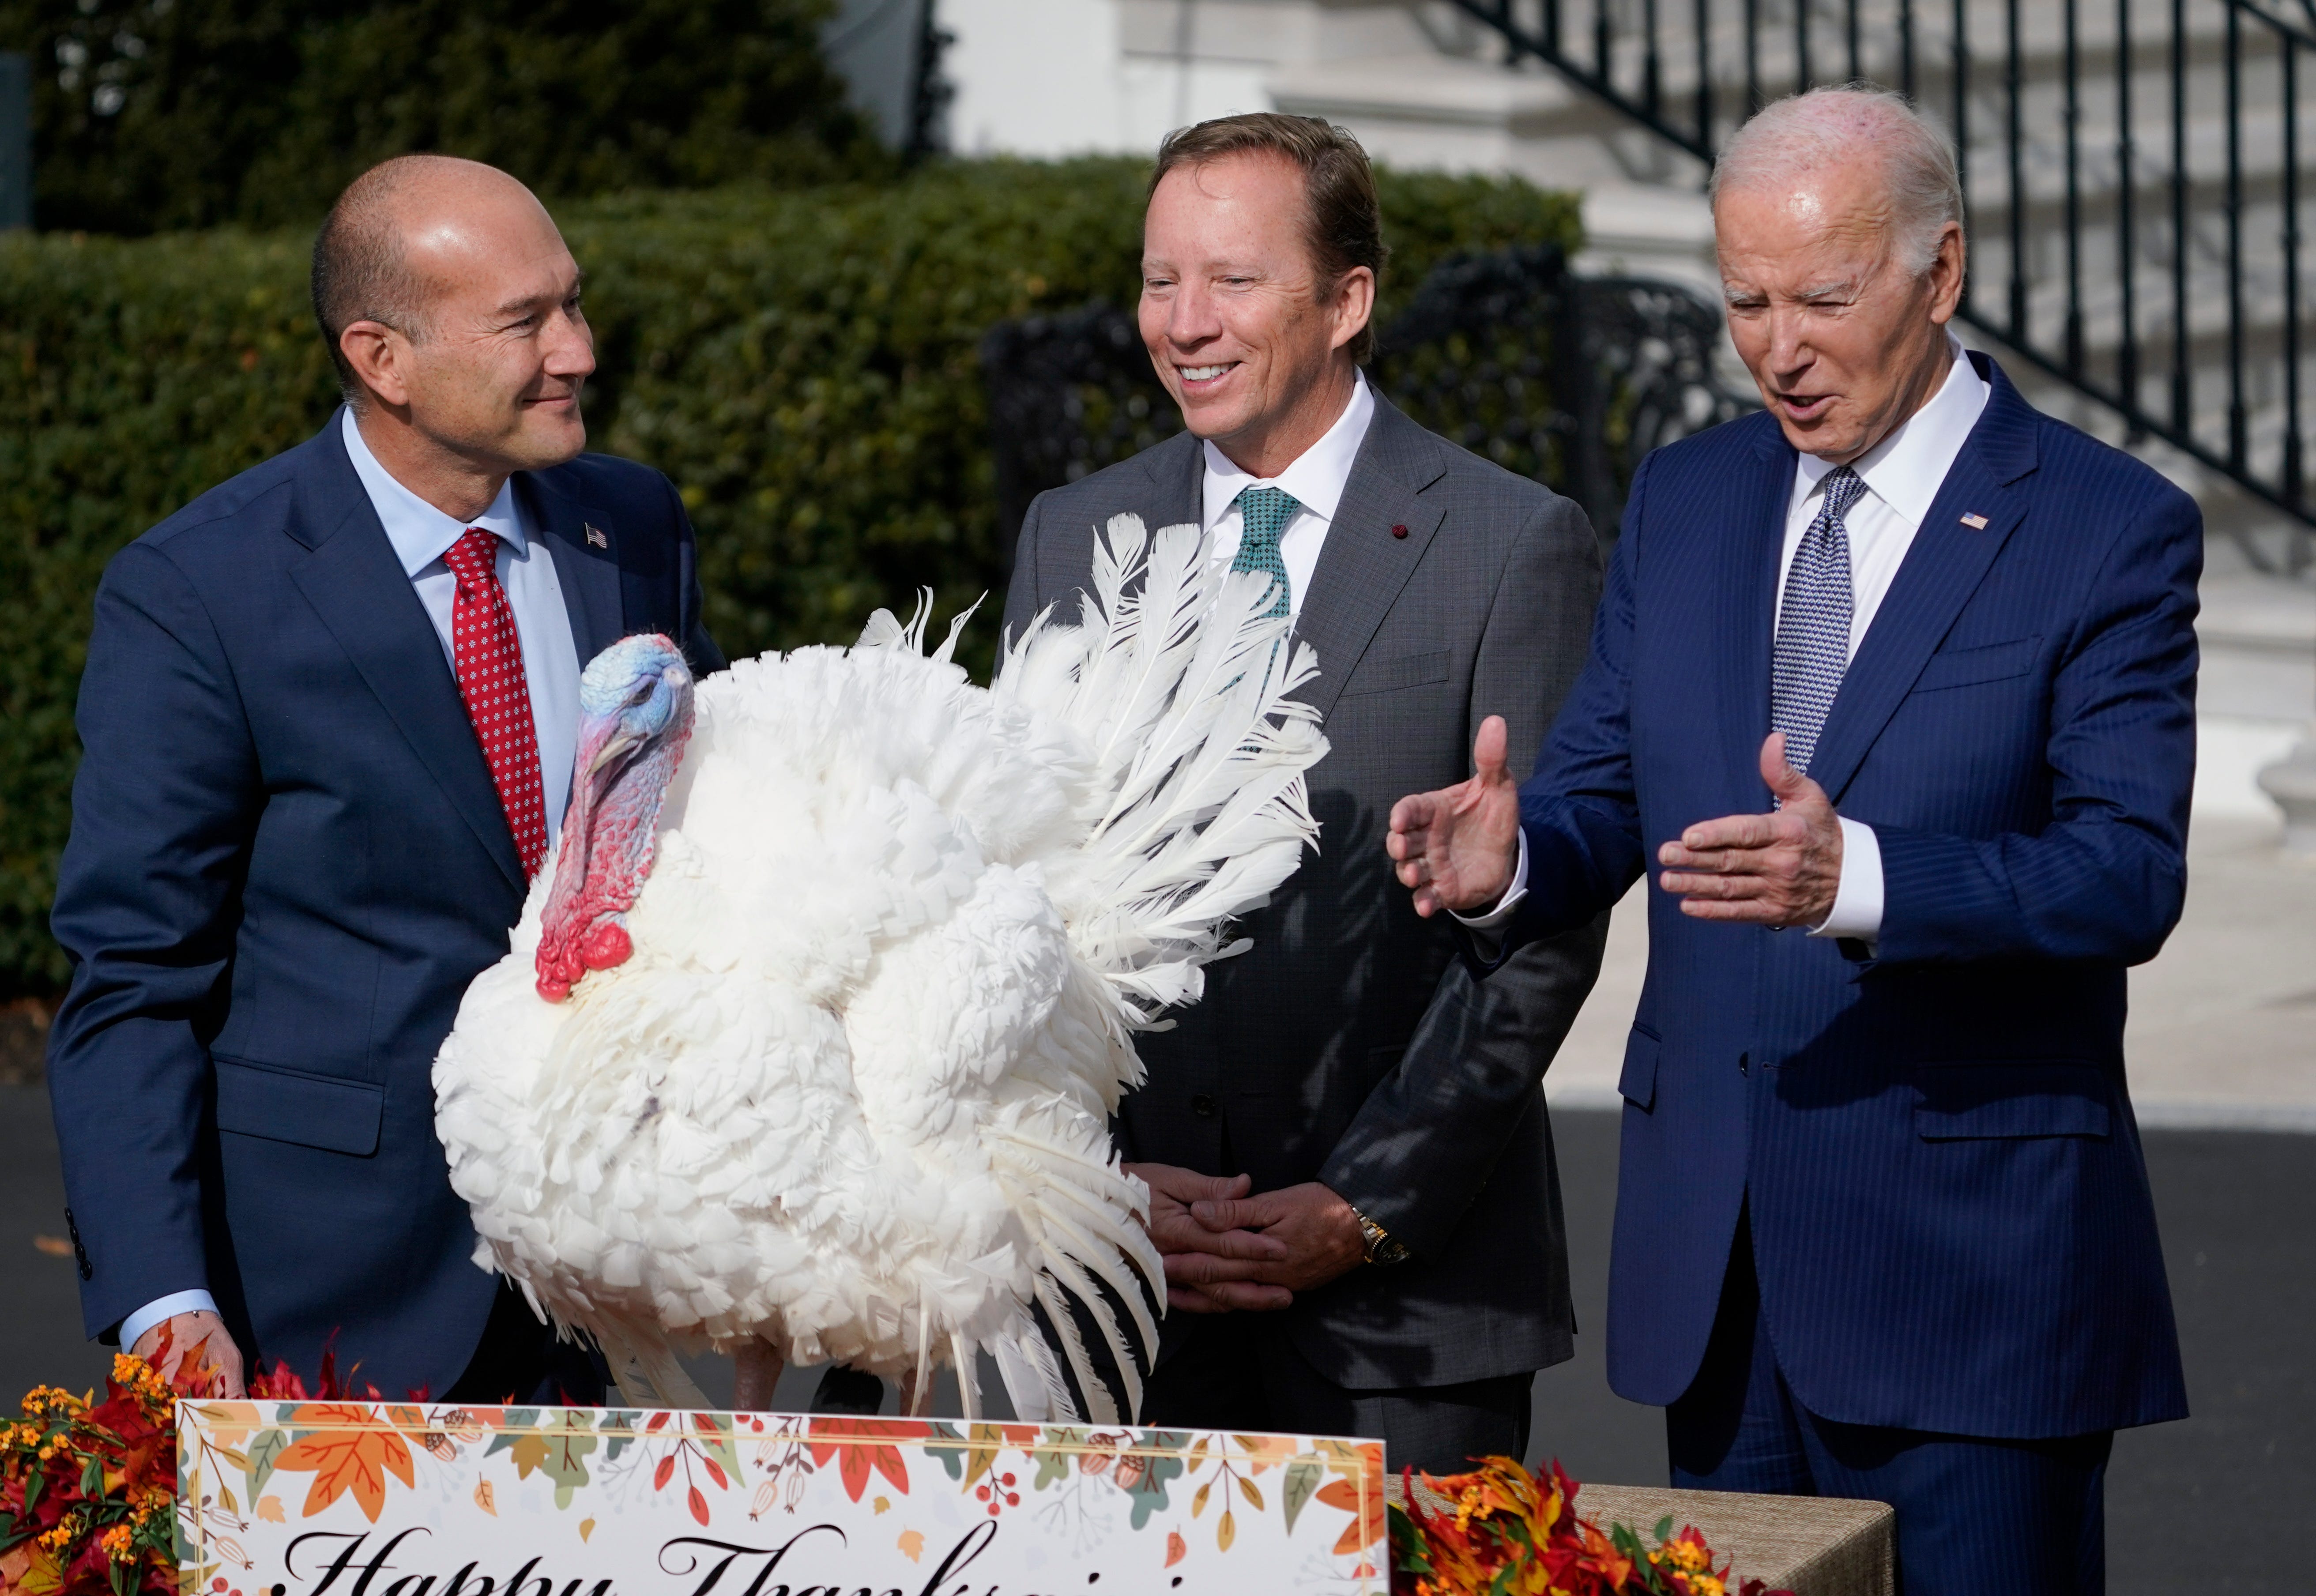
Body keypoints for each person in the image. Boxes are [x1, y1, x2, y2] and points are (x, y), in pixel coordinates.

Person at [1387, 87, 2191, 1592]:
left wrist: (1860, 879)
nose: (1779, 346)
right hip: (1721, 1272)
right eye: (1744, 301)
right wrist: (1515, 860)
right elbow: (1608, 791)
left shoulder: (2106, 524)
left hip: (1969, 1283)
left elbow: (2128, 868)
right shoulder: (1691, 496)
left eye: (1824, 298)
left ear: (1939, 274)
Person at [47, 155, 723, 1402]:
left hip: (606, 1282)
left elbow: (708, 845)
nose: (577, 351)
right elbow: (133, 976)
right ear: (382, 358)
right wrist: (165, 1298)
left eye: (572, 304)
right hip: (321, 1309)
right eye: (526, 322)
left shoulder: (633, 527)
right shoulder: (202, 591)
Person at [999, 113, 1607, 1471]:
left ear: (1348, 302)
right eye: (1160, 281)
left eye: (1231, 280)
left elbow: (1539, 934)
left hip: (1404, 1317)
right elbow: (1015, 908)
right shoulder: (1073, 535)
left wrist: (1362, 1205)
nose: (1183, 322)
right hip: (1129, 1298)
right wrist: (1093, 1192)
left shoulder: (1511, 545)